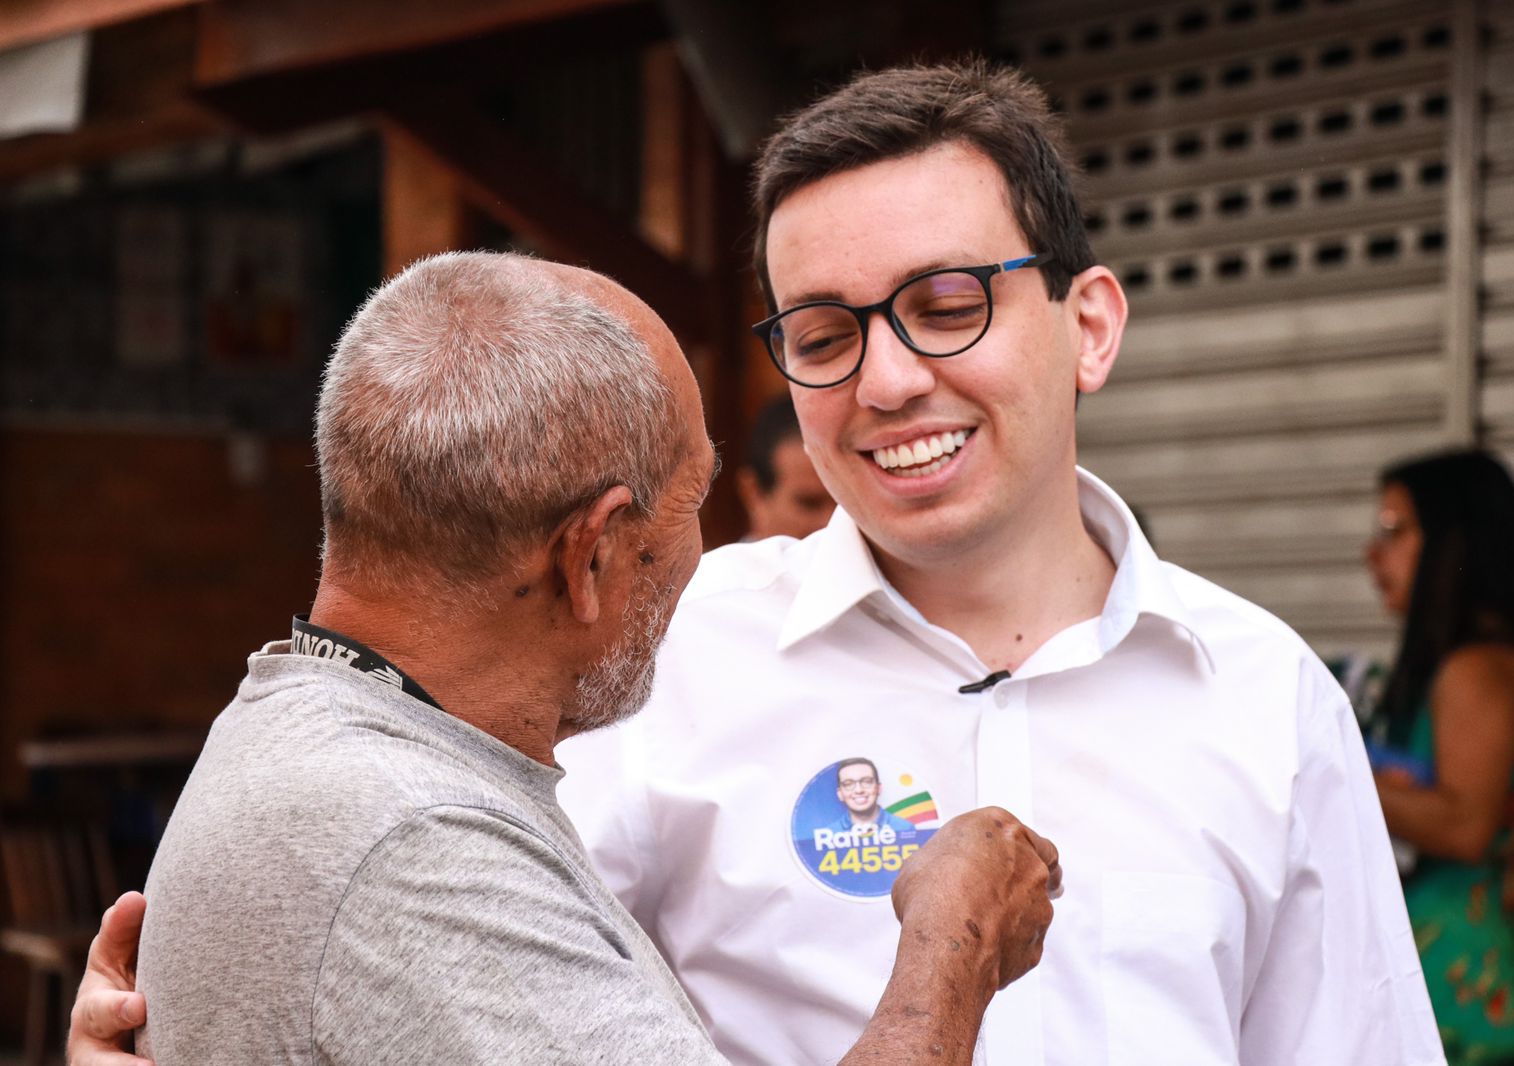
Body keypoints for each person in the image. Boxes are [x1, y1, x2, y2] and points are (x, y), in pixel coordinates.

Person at [549, 60, 1444, 1065]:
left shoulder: (1265, 696)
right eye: (824, 334)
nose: (884, 381)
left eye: (945, 305)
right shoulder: (667, 655)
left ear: (1090, 328)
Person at [65, 252, 1061, 1066]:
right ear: (590, 555)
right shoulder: (417, 847)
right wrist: (950, 952)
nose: (702, 557)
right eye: (689, 508)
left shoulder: (299, 728)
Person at [1363, 449, 1514, 1065]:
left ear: (1456, 541)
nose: (1372, 554)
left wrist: (1339, 769)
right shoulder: (1474, 663)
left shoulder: (1476, 671)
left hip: (1468, 999)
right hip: (1461, 981)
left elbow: (1466, 825)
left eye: (1395, 532)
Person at [735, 394, 834, 539]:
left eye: (845, 506)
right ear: (753, 494)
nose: (831, 523)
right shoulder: (711, 562)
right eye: (810, 504)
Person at [832, 758, 916, 833]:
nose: (859, 790)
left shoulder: (905, 829)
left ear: (878, 788)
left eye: (867, 781)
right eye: (848, 784)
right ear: (840, 794)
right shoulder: (828, 835)